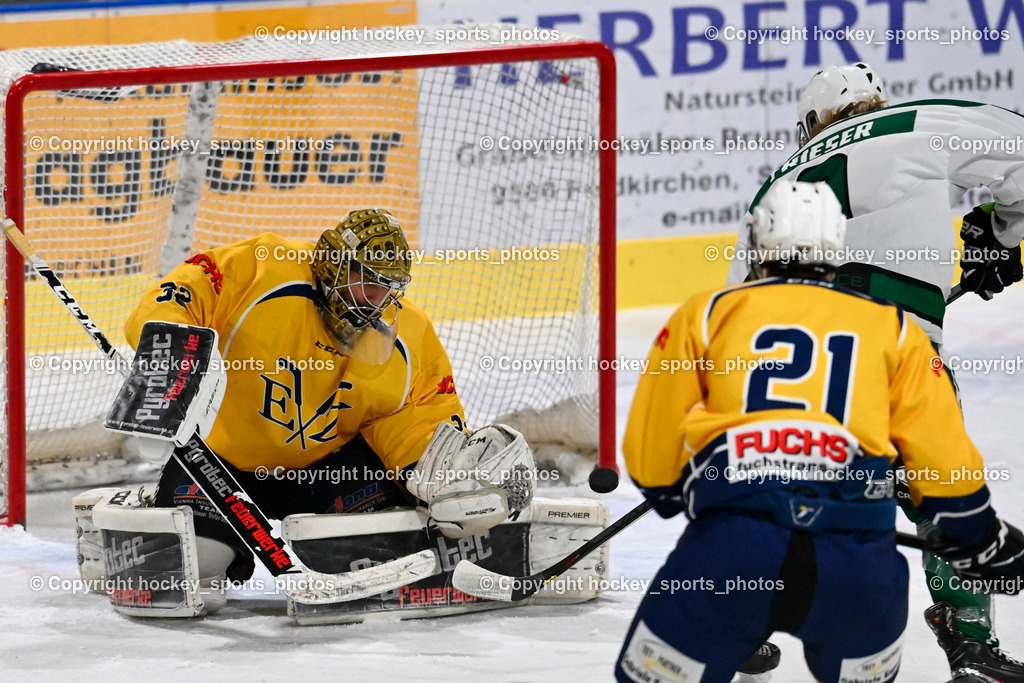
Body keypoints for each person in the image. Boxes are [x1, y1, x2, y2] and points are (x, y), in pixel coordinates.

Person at [616, 181, 1024, 683]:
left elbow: (648, 452)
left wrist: (673, 496)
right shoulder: (897, 330)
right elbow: (945, 467)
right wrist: (982, 538)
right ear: (837, 245)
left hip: (732, 554)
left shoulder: (706, 313)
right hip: (856, 567)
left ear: (757, 242)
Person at [84, 208, 537, 617]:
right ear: (334, 266)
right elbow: (183, 292)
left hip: (326, 477)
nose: (374, 301)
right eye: (366, 281)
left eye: (387, 289)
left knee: (383, 566)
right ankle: (136, 516)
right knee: (188, 580)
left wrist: (442, 476)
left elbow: (413, 416)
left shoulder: (406, 333)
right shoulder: (263, 267)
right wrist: (171, 354)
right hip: (220, 466)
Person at [725, 63, 1024, 680]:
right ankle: (970, 644)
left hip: (796, 366)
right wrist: (1001, 233)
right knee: (943, 488)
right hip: (900, 351)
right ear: (876, 99)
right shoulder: (916, 120)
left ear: (811, 125)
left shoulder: (777, 183)